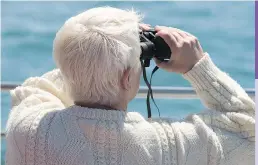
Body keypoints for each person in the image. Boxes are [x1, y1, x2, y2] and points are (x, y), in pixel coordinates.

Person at [5, 6, 254, 165]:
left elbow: (37, 88)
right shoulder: (167, 146)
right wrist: (197, 66)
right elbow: (248, 133)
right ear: (127, 78)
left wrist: (87, 50)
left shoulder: (27, 128)